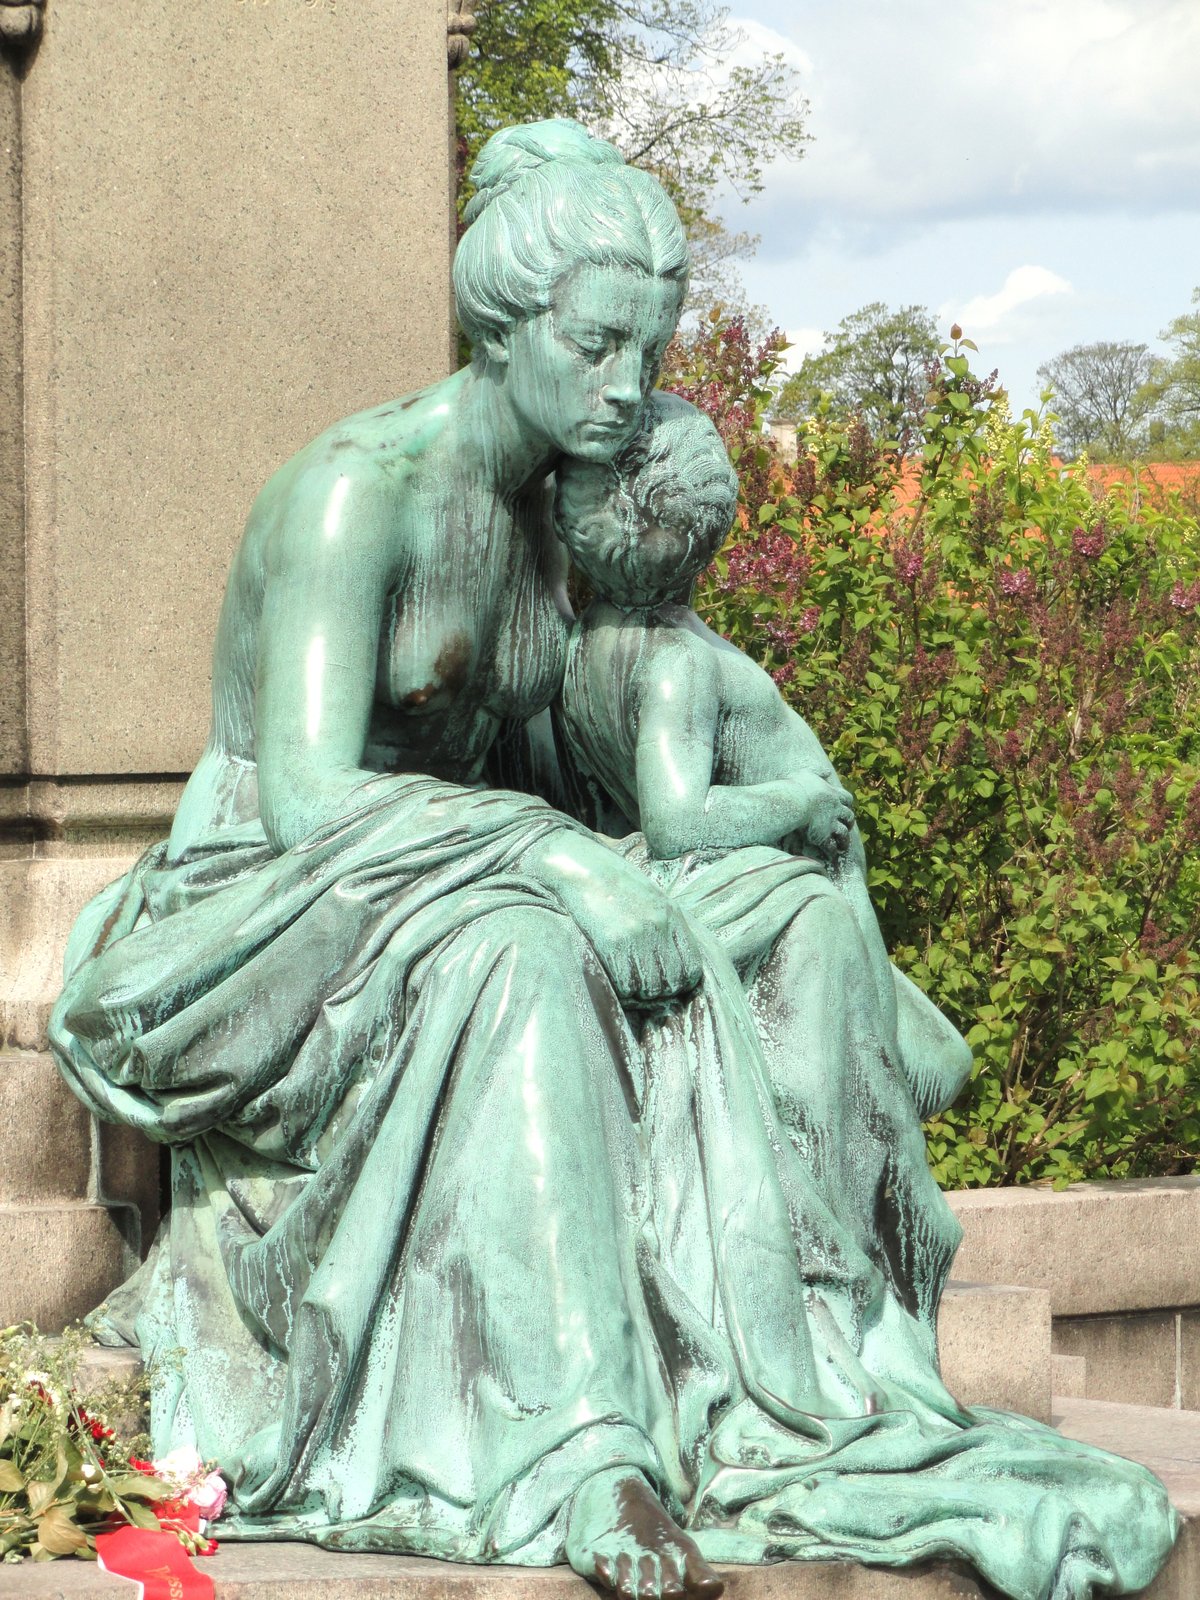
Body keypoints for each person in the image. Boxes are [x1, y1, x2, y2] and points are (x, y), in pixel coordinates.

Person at [51, 119, 1177, 1600]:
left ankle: (826, 1362)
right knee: (521, 955)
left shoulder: (553, 519)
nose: (628, 385)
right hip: (272, 912)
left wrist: (650, 854)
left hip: (462, 865)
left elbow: (562, 760)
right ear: (502, 328)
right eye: (594, 346)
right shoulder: (352, 492)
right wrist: (567, 867)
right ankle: (583, 1451)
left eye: (647, 348)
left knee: (786, 919)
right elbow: (313, 803)